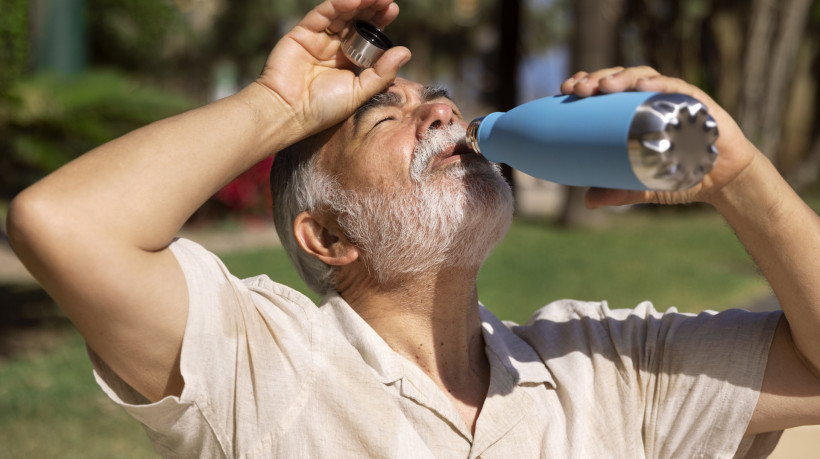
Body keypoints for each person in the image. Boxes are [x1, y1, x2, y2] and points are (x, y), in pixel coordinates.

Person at [7, 0, 820, 457]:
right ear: (328, 237)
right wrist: (279, 107)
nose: (443, 110)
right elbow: (63, 224)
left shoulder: (608, 368)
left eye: (436, 98)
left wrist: (737, 177)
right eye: (383, 117)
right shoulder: (263, 366)